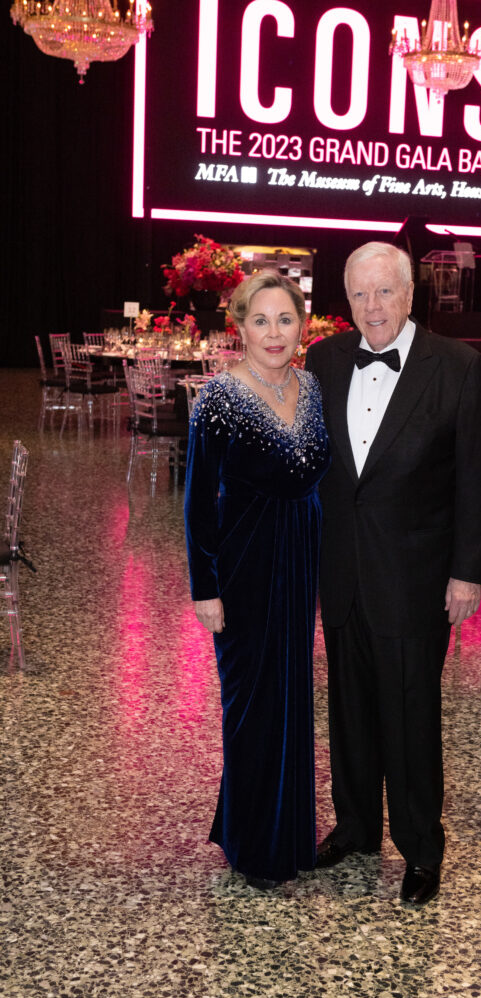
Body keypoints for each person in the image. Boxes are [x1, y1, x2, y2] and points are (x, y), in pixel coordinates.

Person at [306, 242, 481, 905]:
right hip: (342, 572)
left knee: (411, 715)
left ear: (410, 294)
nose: (372, 307)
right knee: (350, 709)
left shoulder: (458, 367)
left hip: (416, 578)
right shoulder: (325, 359)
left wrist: (466, 575)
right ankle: (356, 828)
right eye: (359, 295)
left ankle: (421, 848)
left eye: (384, 292)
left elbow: (479, 479)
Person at [185, 271, 330, 889]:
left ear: (303, 325)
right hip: (243, 570)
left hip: (300, 566)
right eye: (261, 321)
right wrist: (204, 587)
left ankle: (289, 834)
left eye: (286, 320)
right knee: (249, 704)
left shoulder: (314, 387)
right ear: (239, 328)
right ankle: (252, 842)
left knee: (292, 699)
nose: (275, 334)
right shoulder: (218, 397)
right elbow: (196, 502)